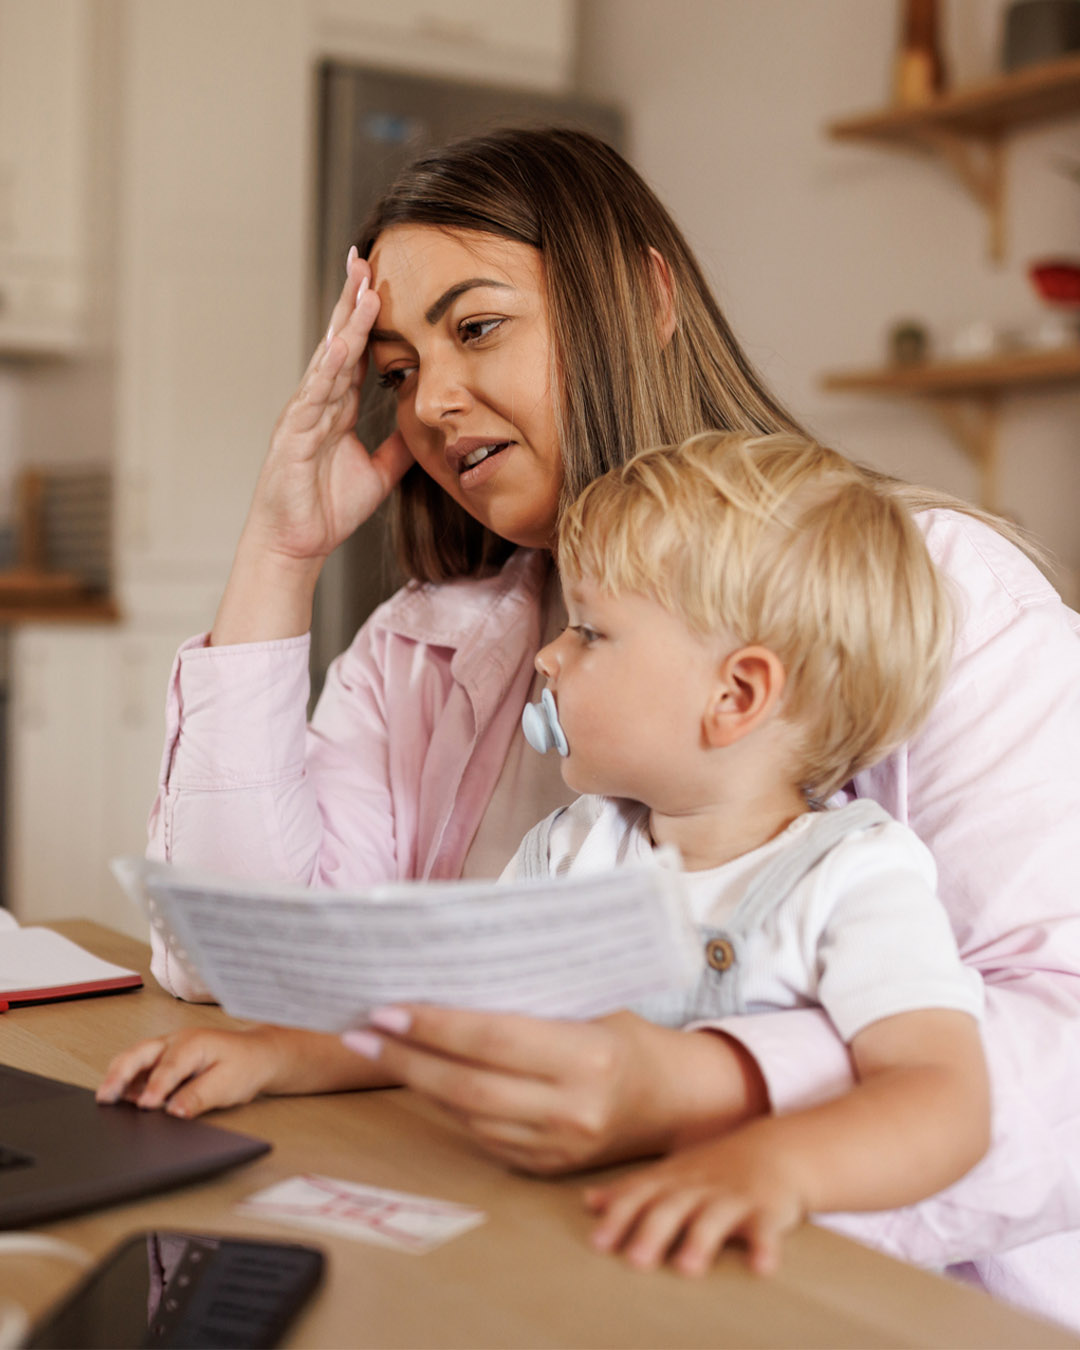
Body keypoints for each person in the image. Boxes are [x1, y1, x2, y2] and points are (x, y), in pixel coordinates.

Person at [96, 128, 1080, 1325]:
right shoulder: (432, 638)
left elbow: (1056, 1046)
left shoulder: (943, 597)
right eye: (396, 369)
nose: (433, 401)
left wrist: (701, 1085)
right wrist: (279, 553)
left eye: (476, 327)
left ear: (646, 297)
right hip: (529, 1257)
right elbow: (232, 967)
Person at [470, 430, 988, 1277]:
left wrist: (772, 1165)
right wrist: (282, 1054)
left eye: (592, 633)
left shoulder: (852, 876)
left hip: (762, 1292)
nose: (549, 655)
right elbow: (445, 1008)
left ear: (735, 695)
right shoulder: (571, 846)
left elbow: (946, 1099)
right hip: (576, 1257)